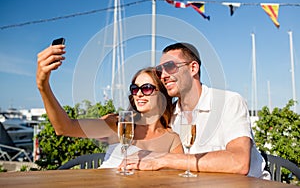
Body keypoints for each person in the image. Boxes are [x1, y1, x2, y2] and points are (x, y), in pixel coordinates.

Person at [124, 42, 270, 179]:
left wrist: (163, 159)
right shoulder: (171, 115)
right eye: (160, 71)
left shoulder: (228, 102)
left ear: (193, 68)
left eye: (170, 67)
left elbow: (239, 163)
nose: (163, 76)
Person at [36, 43, 183, 168]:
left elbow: (179, 178)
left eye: (146, 88)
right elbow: (64, 127)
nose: (138, 94)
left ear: (162, 96)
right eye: (134, 89)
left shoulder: (172, 139)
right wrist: (43, 86)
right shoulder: (119, 125)